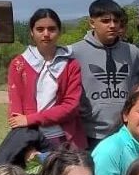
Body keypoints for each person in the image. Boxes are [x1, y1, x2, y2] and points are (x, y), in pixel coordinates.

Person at [71, 0, 139, 149]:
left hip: (123, 132)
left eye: (116, 21)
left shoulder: (131, 51)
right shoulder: (75, 52)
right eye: (105, 21)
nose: (112, 25)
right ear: (92, 23)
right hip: (88, 135)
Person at [7, 8, 85, 149]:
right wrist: (27, 148)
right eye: (40, 29)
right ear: (32, 32)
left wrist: (30, 119)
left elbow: (70, 106)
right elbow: (15, 109)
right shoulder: (19, 64)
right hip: (31, 139)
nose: (46, 34)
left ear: (59, 32)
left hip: (64, 138)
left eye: (51, 29)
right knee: (33, 171)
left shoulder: (70, 64)